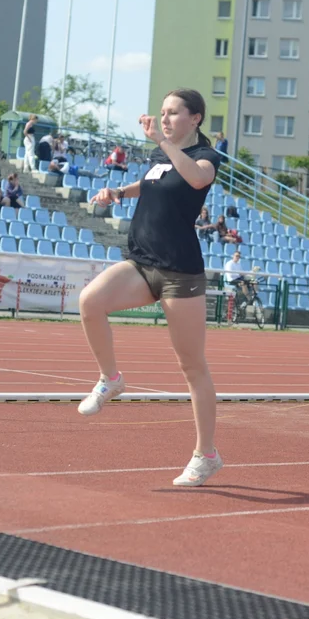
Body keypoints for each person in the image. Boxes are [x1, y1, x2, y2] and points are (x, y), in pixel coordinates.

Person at [79, 88, 224, 487]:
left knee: (192, 366)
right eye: (161, 113)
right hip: (141, 262)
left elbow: (194, 180)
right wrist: (119, 192)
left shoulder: (205, 158)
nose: (164, 119)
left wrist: (162, 142)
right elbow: (152, 182)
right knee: (90, 302)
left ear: (195, 118)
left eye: (173, 113)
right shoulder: (162, 156)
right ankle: (111, 378)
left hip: (180, 272)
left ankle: (206, 455)